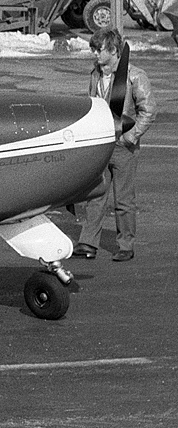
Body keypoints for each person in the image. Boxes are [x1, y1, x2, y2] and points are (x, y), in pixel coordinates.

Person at [73, 28, 156, 262]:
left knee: (124, 199)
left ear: (112, 50)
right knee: (94, 195)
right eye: (93, 49)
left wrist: (130, 138)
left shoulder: (134, 76)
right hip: (101, 145)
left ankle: (126, 245)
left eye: (98, 49)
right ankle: (88, 243)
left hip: (123, 147)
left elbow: (148, 111)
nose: (94, 54)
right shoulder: (95, 75)